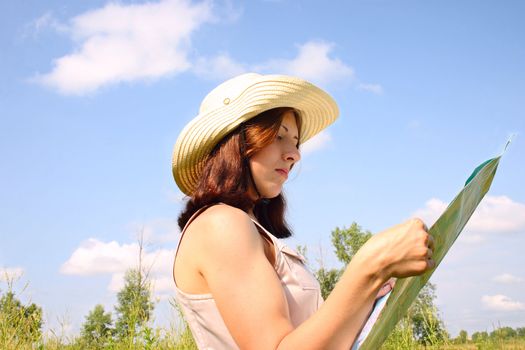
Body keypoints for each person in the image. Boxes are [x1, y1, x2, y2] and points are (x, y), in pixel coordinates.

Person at [172, 73, 435, 349]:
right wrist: (370, 266)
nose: (294, 154)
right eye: (278, 136)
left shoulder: (244, 226)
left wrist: (365, 296)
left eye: (295, 142)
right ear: (236, 142)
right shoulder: (221, 224)